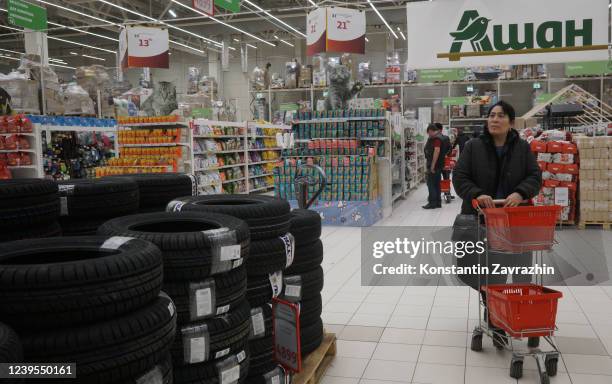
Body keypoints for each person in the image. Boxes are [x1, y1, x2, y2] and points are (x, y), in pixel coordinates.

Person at [452, 100, 542, 347]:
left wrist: (521, 193)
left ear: (511, 122)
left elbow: (535, 176)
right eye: (491, 115)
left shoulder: (522, 148)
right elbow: (459, 176)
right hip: (483, 222)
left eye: (501, 115)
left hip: (516, 223)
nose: (494, 119)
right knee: (491, 275)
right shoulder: (473, 147)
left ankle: (519, 318)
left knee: (521, 273)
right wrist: (476, 194)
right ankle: (494, 320)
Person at [423, 123, 449, 209]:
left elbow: (436, 151)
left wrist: (432, 166)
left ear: (431, 131)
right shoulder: (441, 137)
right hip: (440, 164)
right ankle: (438, 202)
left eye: (428, 132)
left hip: (434, 165)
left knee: (431, 184)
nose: (428, 134)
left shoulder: (436, 139)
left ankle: (432, 203)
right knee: (437, 184)